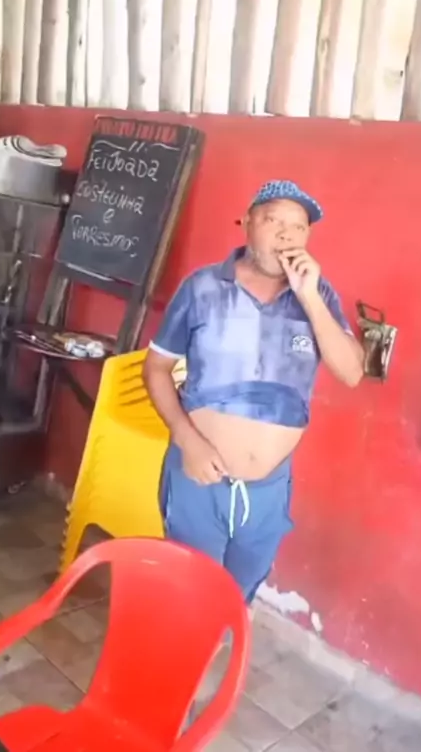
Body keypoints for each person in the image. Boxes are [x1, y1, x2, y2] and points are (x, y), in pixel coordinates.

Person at [143, 180, 364, 605]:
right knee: (188, 591)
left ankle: (219, 642)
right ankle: (183, 644)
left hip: (268, 490)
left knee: (236, 595)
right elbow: (156, 369)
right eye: (273, 220)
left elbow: (352, 373)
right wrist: (188, 442)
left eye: (298, 227)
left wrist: (310, 298)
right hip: (199, 479)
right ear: (246, 222)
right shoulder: (202, 287)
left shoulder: (318, 295)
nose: (285, 235)